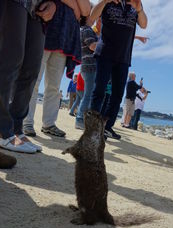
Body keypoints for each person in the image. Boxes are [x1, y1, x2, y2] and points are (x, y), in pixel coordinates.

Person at [23, 0, 91, 138]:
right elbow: (80, 10)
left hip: (65, 36)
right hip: (45, 26)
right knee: (33, 79)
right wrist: (73, 5)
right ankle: (26, 121)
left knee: (54, 86)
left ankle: (49, 123)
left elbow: (85, 10)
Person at [0, 0, 57, 154]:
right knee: (9, 59)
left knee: (31, 69)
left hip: (38, 7)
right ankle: (3, 130)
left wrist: (53, 3)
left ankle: (16, 129)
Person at [90, 0, 147, 139]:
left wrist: (139, 10)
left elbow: (144, 24)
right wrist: (104, 1)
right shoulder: (107, 2)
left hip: (123, 57)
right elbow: (91, 17)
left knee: (117, 95)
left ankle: (106, 127)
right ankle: (92, 129)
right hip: (105, 53)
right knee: (99, 91)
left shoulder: (135, 4)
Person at [75, 14, 99, 130]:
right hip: (90, 67)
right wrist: (107, 43)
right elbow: (93, 46)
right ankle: (79, 119)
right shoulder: (87, 30)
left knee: (88, 95)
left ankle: (82, 119)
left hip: (86, 67)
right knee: (88, 96)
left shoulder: (83, 30)